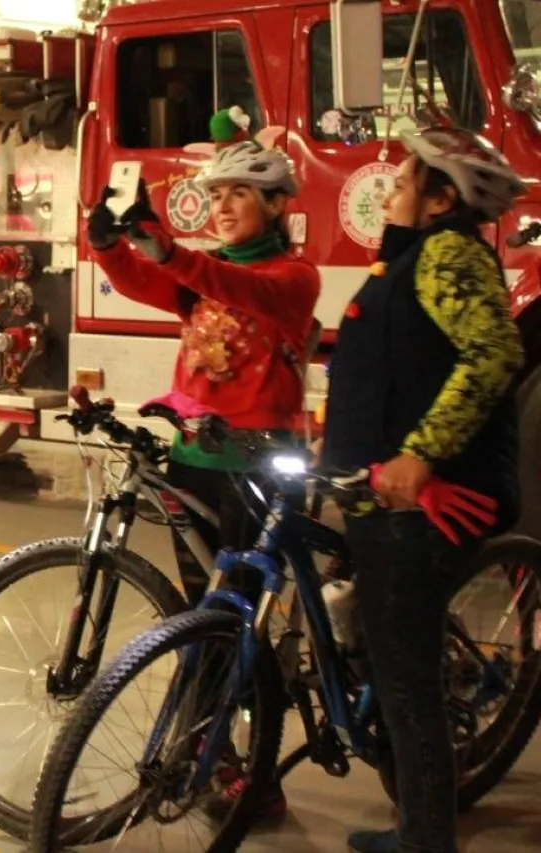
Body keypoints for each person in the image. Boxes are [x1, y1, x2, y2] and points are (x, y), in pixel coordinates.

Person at [86, 109, 321, 819]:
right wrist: (109, 244)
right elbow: (146, 282)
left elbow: (228, 285)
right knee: (203, 619)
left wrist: (163, 247)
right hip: (195, 460)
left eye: (239, 195)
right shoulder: (202, 277)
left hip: (260, 468)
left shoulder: (292, 277)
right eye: (214, 196)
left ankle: (260, 773)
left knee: (249, 626)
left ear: (278, 205)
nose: (220, 207)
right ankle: (207, 751)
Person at [321, 127, 525, 853]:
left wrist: (421, 455)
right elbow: (392, 359)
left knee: (408, 689)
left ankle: (424, 841)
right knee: (390, 660)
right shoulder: (410, 259)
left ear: (442, 197)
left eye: (405, 180)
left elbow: (496, 352)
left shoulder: (447, 253)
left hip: (420, 503)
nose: (391, 191)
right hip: (379, 500)